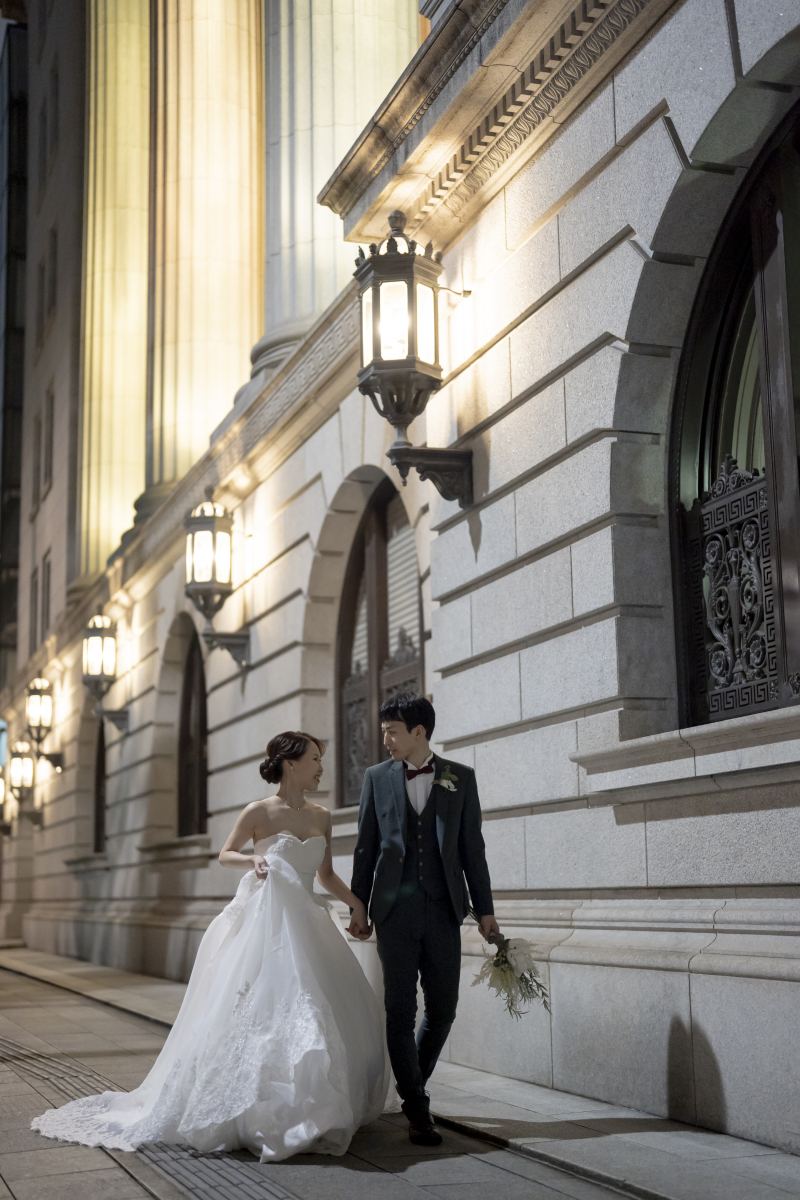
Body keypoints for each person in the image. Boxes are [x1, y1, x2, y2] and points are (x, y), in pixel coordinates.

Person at [32, 732, 388, 1161]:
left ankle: (314, 1109)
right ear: (290, 763)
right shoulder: (259, 811)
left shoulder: (322, 815)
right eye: (314, 759)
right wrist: (252, 860)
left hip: (308, 921)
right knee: (264, 1010)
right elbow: (224, 853)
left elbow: (325, 875)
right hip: (267, 924)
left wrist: (357, 906)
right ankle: (250, 1109)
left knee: (316, 1007)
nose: (320, 767)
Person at [349, 692, 499, 1146]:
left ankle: (410, 1084)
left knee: (443, 1009)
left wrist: (486, 910)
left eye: (392, 731)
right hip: (392, 910)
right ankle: (417, 1108)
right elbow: (365, 847)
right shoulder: (376, 778)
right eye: (383, 731)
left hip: (442, 909)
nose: (385, 739)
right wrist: (359, 906)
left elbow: (473, 848)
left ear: (419, 731)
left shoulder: (460, 778)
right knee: (399, 1009)